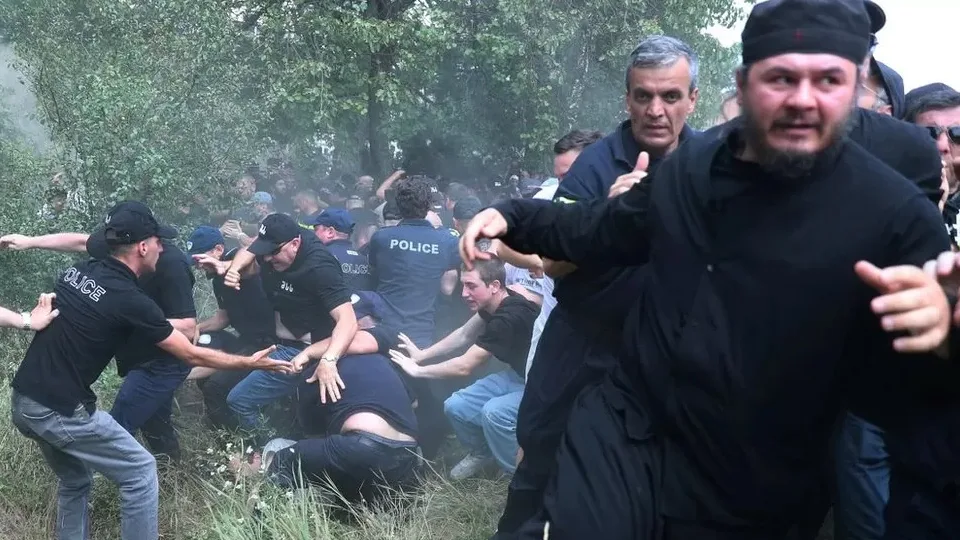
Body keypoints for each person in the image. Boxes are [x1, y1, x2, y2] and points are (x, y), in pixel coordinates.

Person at [461, 0, 954, 537]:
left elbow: (918, 408)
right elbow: (597, 231)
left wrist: (946, 330)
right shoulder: (690, 169)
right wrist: (513, 215)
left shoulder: (895, 214)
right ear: (743, 87)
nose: (803, 101)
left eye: (829, 80)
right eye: (780, 79)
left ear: (856, 87)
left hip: (754, 477)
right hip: (628, 435)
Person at [492, 35, 699, 537]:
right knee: (541, 454)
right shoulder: (595, 164)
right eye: (643, 96)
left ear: (693, 98)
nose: (655, 109)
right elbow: (553, 262)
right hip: (585, 339)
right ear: (626, 99)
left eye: (670, 96)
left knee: (656, 475)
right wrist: (610, 214)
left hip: (665, 351)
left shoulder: (709, 164)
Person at [9, 204, 290, 540]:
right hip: (58, 410)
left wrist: (31, 241)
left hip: (24, 400)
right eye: (159, 240)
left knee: (74, 479)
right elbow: (187, 350)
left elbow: (82, 244)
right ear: (142, 247)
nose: (163, 247)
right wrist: (249, 362)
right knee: (141, 471)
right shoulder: (128, 299)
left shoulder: (80, 271)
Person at [2, 201, 202, 461]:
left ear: (142, 242)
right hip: (139, 354)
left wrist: (125, 317)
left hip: (161, 361)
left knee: (119, 424)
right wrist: (31, 241)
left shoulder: (171, 264)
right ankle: (173, 471)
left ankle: (121, 479)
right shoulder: (120, 248)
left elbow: (188, 327)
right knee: (154, 419)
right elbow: (78, 242)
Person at [390, 257, 539, 478]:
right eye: (463, 285)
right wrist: (422, 355)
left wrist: (417, 370)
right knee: (456, 405)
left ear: (495, 286)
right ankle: (483, 453)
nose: (463, 293)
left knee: (494, 413)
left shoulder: (509, 317)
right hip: (519, 374)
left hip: (541, 382)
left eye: (471, 286)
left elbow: (464, 366)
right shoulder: (495, 303)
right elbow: (463, 335)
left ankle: (517, 473)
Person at [220, 213, 359, 434]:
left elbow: (348, 320)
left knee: (242, 400)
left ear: (295, 244)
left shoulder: (319, 267)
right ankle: (267, 446)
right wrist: (234, 269)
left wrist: (329, 359)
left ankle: (280, 454)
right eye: (264, 253)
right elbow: (250, 250)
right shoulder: (284, 239)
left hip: (313, 349)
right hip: (282, 342)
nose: (267, 260)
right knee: (236, 397)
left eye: (273, 252)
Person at [184, 226, 277, 429]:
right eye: (194, 261)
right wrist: (199, 327)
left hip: (267, 342)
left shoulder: (238, 261)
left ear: (218, 249)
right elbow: (223, 318)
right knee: (204, 341)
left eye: (200, 258)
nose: (198, 265)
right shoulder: (216, 280)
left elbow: (249, 258)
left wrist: (228, 267)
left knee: (214, 387)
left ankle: (234, 437)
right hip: (245, 339)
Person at [306, 208, 374, 291]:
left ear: (330, 232)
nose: (314, 234)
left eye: (316, 229)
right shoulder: (365, 260)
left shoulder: (320, 257)